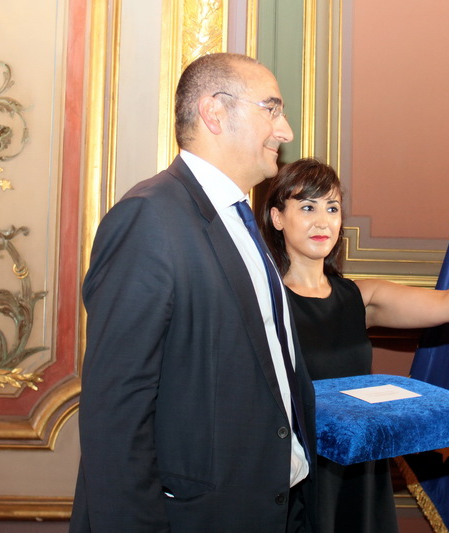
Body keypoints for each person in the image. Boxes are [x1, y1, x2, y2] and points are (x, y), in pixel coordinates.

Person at [70, 53, 318, 532]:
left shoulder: (241, 221)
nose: (285, 131)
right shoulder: (149, 217)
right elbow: (116, 410)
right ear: (214, 112)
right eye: (272, 108)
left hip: (269, 506)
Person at [259, 158, 449, 533]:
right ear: (278, 217)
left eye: (332, 208)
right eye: (307, 207)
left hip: (360, 472)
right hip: (295, 472)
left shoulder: (360, 296)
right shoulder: (262, 300)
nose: (322, 221)